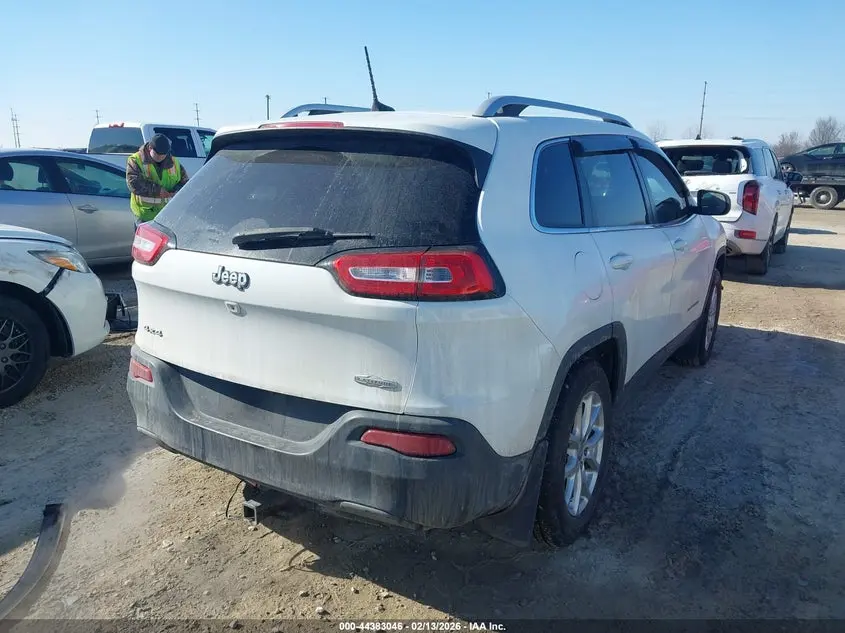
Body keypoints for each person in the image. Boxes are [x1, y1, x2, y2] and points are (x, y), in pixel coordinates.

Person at [126, 133, 189, 226]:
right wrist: (157, 190)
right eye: (158, 154)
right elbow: (133, 183)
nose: (161, 157)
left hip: (167, 215)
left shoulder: (174, 162)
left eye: (164, 155)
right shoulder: (136, 160)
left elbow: (185, 183)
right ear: (150, 148)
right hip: (144, 215)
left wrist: (176, 191)